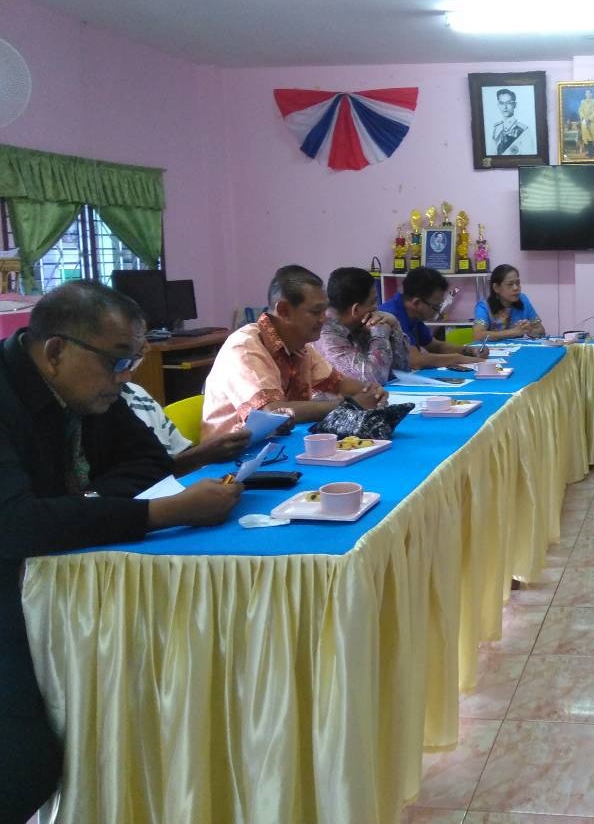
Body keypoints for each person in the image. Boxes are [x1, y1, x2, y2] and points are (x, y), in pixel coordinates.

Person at [0, 281, 242, 822]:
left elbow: (149, 463)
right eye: (117, 360)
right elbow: (13, 523)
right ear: (56, 351)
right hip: (12, 594)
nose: (125, 376)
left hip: (57, 577)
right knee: (25, 766)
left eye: (132, 360)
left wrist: (75, 507)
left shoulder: (91, 387)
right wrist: (162, 513)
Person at [202, 265, 388, 438]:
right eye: (315, 312)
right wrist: (350, 405)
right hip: (233, 457)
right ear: (284, 310)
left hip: (276, 447)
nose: (324, 319)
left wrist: (371, 391)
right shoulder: (244, 348)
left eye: (324, 311)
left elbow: (339, 384)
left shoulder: (300, 345)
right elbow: (272, 414)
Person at [121, 382, 251, 475]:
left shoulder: (137, 394)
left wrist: (206, 453)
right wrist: (201, 455)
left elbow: (180, 454)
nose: (126, 375)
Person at [378, 266, 489, 369]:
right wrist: (458, 359)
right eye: (436, 307)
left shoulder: (413, 314)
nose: (439, 313)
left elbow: (434, 346)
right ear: (416, 303)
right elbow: (415, 360)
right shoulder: (391, 315)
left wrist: (468, 350)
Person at [314, 266, 410, 384]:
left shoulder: (360, 324)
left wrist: (394, 325)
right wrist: (380, 332)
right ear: (356, 309)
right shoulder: (325, 335)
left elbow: (401, 371)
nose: (376, 308)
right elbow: (374, 379)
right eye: (373, 302)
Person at [473, 264, 546, 342]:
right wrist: (513, 332)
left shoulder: (523, 300)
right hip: (491, 350)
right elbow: (478, 335)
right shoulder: (484, 306)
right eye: (510, 284)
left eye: (518, 283)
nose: (516, 288)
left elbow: (541, 331)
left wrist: (530, 330)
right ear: (496, 288)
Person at [489, 88, 533, 157]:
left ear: (515, 105)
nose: (505, 107)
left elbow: (529, 156)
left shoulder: (524, 130)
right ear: (498, 105)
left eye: (509, 103)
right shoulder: (496, 128)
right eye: (501, 103)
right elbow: (492, 154)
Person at [578, 89, 594, 157]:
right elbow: (580, 110)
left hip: (592, 122)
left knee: (592, 137)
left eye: (589, 93)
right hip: (584, 122)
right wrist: (584, 118)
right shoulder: (582, 102)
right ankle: (590, 152)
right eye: (586, 93)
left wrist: (589, 118)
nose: (587, 94)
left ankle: (592, 152)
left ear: (591, 94)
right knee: (586, 137)